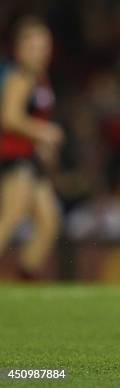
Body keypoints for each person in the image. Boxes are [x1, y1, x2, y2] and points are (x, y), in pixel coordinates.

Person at [0, 16, 63, 279]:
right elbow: (9, 117)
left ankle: (24, 280)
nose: (41, 54)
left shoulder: (40, 78)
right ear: (20, 48)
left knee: (49, 222)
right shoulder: (20, 77)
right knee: (11, 217)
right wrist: (43, 133)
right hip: (14, 157)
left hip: (30, 158)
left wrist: (41, 144)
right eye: (35, 48)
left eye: (44, 48)